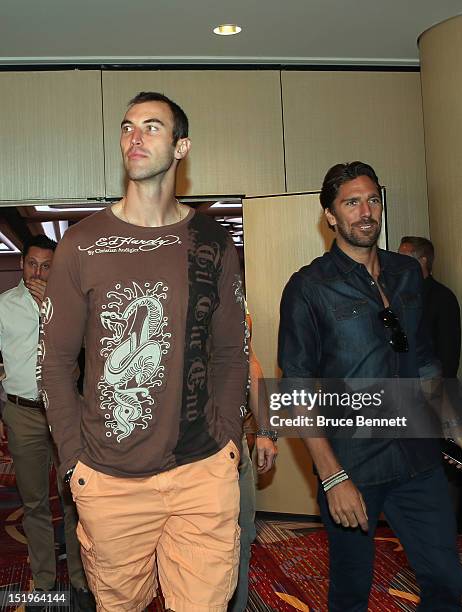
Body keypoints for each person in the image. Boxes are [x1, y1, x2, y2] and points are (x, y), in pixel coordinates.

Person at [39, 91, 249, 612]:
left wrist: (227, 439)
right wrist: (74, 462)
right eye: (128, 126)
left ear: (182, 148)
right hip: (110, 478)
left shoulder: (210, 240)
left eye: (153, 127)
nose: (135, 136)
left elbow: (231, 351)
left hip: (201, 470)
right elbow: (55, 363)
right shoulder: (82, 245)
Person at [277, 161, 462, 612]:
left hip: (418, 455)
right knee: (352, 590)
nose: (365, 212)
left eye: (373, 200)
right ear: (330, 215)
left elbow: (424, 358)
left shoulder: (407, 273)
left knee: (445, 578)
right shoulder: (308, 287)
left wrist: (451, 423)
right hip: (354, 464)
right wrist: (332, 477)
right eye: (351, 202)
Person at [0, 234, 94, 612]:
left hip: (66, 412)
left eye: (46, 266)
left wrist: (50, 312)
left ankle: (79, 577)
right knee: (34, 499)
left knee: (76, 496)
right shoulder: (3, 306)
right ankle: (43, 580)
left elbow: (89, 352)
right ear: (22, 265)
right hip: (23, 412)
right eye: (32, 264)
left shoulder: (72, 305)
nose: (37, 272)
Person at [229, 311, 278, 612]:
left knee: (243, 536)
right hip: (183, 455)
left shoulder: (233, 294)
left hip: (233, 447)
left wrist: (265, 430)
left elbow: (250, 363)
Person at [398, 236, 461, 378]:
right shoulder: (400, 295)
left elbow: (449, 348)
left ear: (423, 261)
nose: (398, 263)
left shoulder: (442, 297)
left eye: (404, 258)